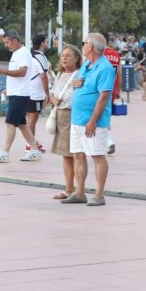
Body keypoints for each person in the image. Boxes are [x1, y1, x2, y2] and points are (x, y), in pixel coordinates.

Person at [0, 28, 45, 163]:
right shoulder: (16, 53)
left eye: (7, 42)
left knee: (10, 123)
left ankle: (5, 152)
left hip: (21, 94)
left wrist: (2, 71)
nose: (5, 45)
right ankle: (35, 150)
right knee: (21, 124)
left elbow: (22, 73)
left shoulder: (23, 53)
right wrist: (7, 89)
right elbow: (16, 74)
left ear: (14, 40)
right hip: (16, 93)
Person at [71, 33, 115, 205]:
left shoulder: (105, 68)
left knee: (97, 155)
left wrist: (92, 121)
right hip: (78, 119)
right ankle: (79, 192)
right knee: (78, 155)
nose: (82, 46)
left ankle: (99, 194)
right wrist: (76, 83)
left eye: (84, 43)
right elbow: (78, 81)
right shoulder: (87, 64)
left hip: (93, 122)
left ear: (90, 46)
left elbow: (104, 97)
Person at [47, 45, 85, 202]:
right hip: (60, 116)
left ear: (76, 58)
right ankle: (69, 188)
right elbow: (53, 92)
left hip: (72, 115)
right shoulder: (60, 74)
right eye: (62, 55)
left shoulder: (79, 75)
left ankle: (76, 189)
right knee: (65, 155)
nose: (64, 58)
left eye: (68, 55)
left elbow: (78, 95)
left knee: (73, 154)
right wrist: (53, 99)